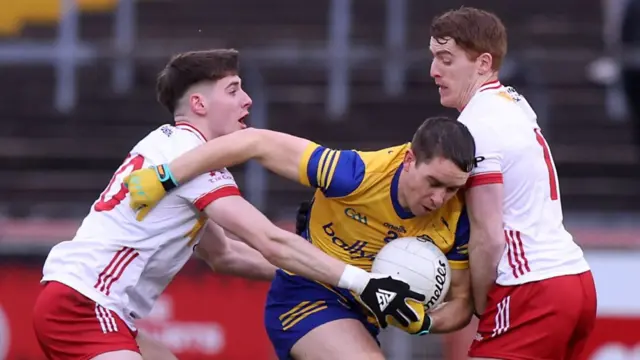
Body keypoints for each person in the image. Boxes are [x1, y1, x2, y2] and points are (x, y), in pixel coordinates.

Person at [32, 49, 422, 360]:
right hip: (84, 306)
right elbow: (270, 241)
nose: (247, 99)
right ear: (200, 104)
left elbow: (226, 256)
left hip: (87, 305)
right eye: (234, 89)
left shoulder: (171, 150)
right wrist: (364, 282)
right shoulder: (191, 158)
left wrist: (330, 279)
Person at [123, 115, 477, 360]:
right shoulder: (354, 174)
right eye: (434, 183)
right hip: (307, 296)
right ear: (409, 159)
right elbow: (255, 141)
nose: (439, 199)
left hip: (361, 317)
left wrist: (426, 323)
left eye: (452, 188)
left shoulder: (457, 216)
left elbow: (462, 302)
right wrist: (167, 176)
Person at [428, 7, 597, 359]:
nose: (434, 71)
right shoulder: (513, 102)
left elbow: (488, 236)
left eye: (446, 59)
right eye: (433, 58)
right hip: (575, 278)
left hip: (530, 288)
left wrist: (478, 303)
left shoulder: (477, 126)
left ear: (483, 63)